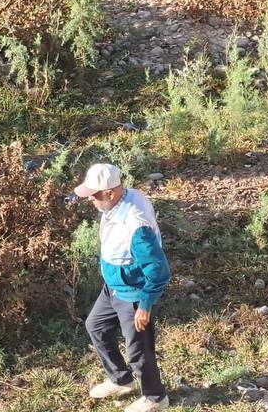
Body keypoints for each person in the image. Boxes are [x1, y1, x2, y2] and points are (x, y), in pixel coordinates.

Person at [76, 163, 171, 412]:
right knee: (95, 326)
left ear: (111, 192)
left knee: (138, 351)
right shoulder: (119, 200)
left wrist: (145, 306)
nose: (91, 200)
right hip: (114, 287)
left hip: (134, 295)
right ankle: (121, 379)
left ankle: (156, 397)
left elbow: (158, 270)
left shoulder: (136, 225)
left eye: (94, 195)